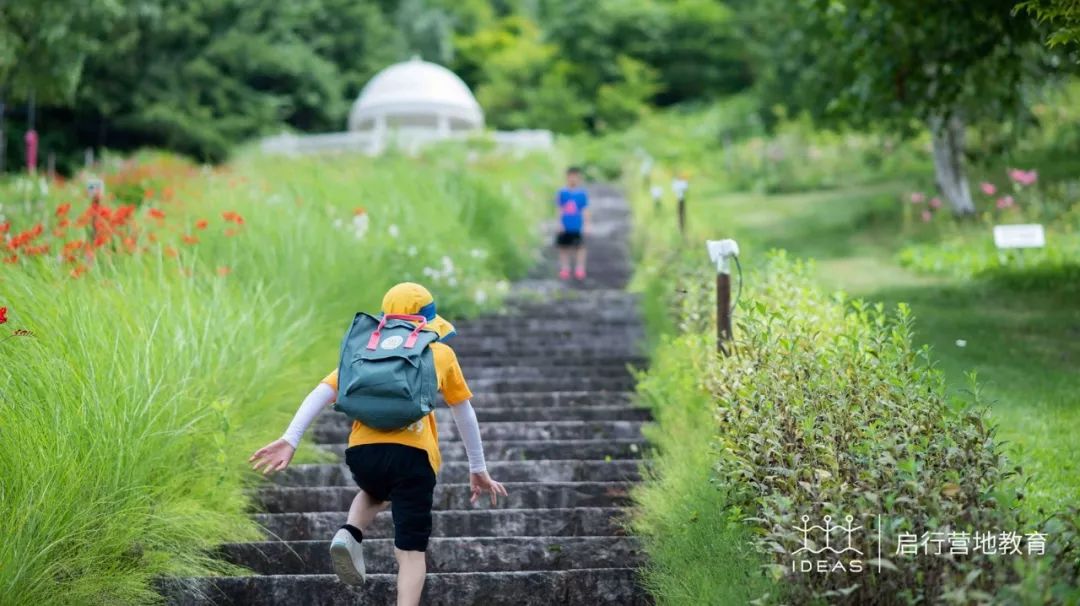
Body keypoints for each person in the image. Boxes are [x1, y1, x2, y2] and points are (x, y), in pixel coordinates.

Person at [249, 282, 507, 606]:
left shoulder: (364, 348)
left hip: (363, 454)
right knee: (410, 553)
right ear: (428, 320)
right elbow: (463, 413)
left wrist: (290, 439)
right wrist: (478, 467)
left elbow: (322, 392)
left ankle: (351, 531)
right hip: (414, 458)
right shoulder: (440, 352)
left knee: (375, 490)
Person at [555, 166, 589, 280]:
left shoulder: (582, 194)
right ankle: (565, 268)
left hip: (577, 225)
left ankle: (580, 268)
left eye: (575, 177)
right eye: (571, 177)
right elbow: (560, 209)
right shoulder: (562, 193)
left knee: (580, 247)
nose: (573, 179)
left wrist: (586, 224)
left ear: (579, 178)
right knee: (563, 247)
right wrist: (559, 223)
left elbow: (585, 210)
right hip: (565, 224)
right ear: (567, 177)